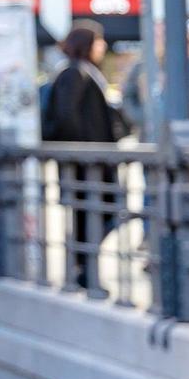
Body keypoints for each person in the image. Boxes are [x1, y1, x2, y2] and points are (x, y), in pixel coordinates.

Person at [42, 23, 129, 291]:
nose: (103, 46)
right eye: (99, 41)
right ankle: (84, 273)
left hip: (90, 162)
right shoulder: (74, 73)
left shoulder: (76, 72)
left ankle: (83, 271)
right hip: (87, 164)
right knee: (94, 216)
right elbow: (68, 117)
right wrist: (86, 148)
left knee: (93, 217)